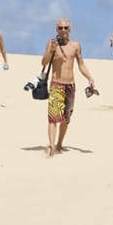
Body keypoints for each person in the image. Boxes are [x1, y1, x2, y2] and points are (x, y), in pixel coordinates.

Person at [41, 17, 95, 158]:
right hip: (56, 85)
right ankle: (51, 146)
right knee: (53, 118)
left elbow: (81, 64)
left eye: (65, 27)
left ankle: (59, 143)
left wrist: (89, 77)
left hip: (70, 86)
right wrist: (51, 51)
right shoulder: (51, 43)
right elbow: (44, 62)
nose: (63, 30)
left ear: (70, 29)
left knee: (66, 118)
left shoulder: (75, 45)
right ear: (56, 29)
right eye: (60, 28)